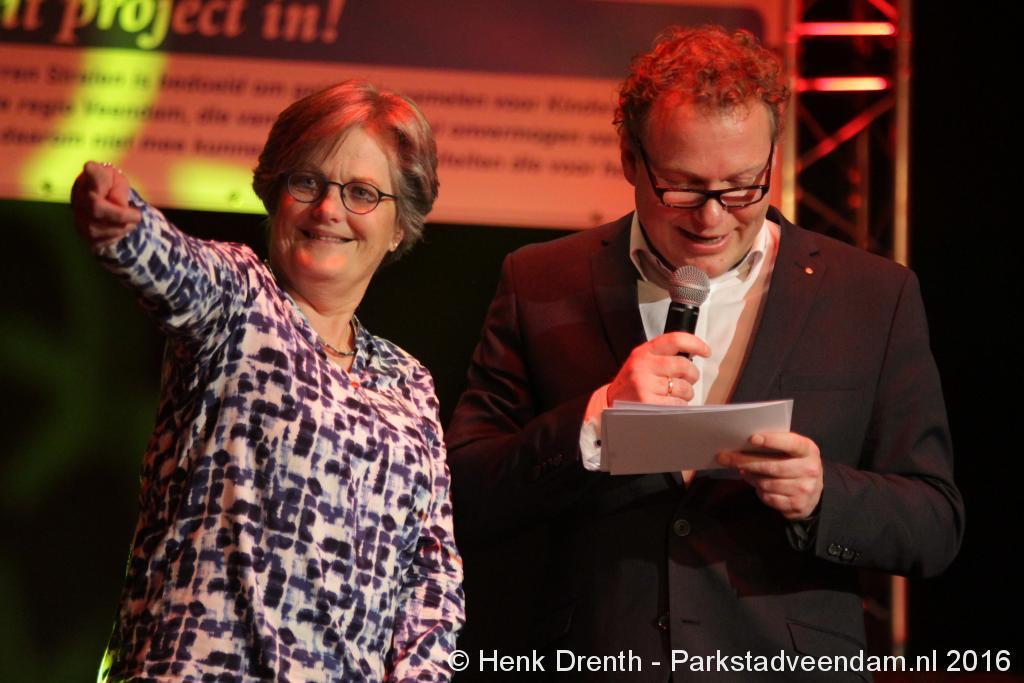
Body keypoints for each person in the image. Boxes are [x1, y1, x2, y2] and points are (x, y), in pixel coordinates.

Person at [446, 25, 963, 681]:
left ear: (772, 159)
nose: (712, 218)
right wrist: (595, 421)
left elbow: (935, 524)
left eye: (743, 187)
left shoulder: (871, 296)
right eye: (683, 187)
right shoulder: (541, 281)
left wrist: (823, 494)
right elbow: (464, 495)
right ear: (630, 159)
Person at [71, 80, 464, 681]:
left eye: (361, 193)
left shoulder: (408, 381)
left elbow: (431, 579)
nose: (328, 209)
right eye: (307, 182)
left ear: (398, 228)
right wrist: (123, 222)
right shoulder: (241, 300)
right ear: (275, 195)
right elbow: (175, 265)